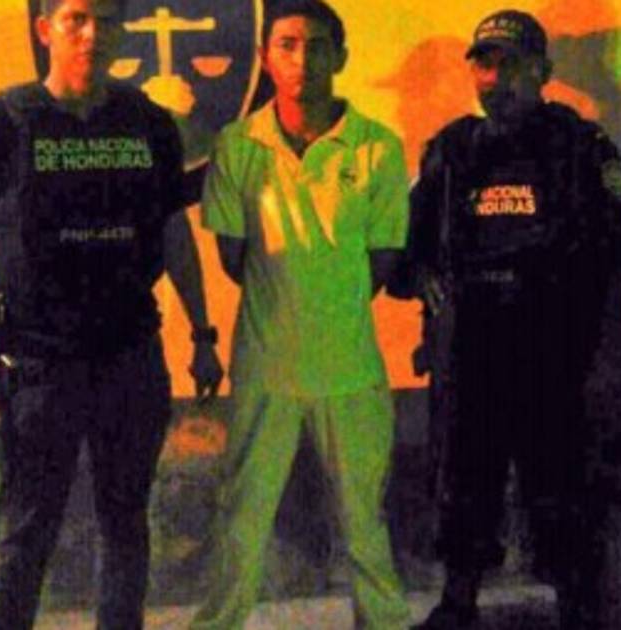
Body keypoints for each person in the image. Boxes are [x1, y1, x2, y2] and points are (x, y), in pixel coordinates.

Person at [0, 1, 224, 627]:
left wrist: (204, 333)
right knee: (24, 541)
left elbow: (173, 230)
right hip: (37, 371)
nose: (92, 33)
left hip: (130, 358)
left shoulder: (148, 123)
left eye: (106, 20)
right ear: (45, 29)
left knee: (125, 528)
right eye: (76, 17)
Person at [392, 10, 621, 629]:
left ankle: (576, 605)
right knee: (463, 479)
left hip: (556, 347)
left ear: (543, 71)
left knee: (562, 481)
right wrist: (420, 278)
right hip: (472, 349)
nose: (496, 78)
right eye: (485, 65)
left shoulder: (580, 147)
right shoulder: (452, 150)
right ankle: (458, 601)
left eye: (511, 65)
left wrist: (616, 354)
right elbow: (407, 250)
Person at [188, 1, 411, 628]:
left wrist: (325, 302)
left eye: (317, 46)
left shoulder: (376, 148)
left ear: (341, 56)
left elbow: (383, 260)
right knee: (243, 517)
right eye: (286, 44)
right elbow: (234, 257)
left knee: (364, 521)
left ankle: (385, 622)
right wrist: (291, 303)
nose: (302, 59)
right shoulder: (238, 145)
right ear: (265, 57)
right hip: (267, 367)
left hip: (351, 367)